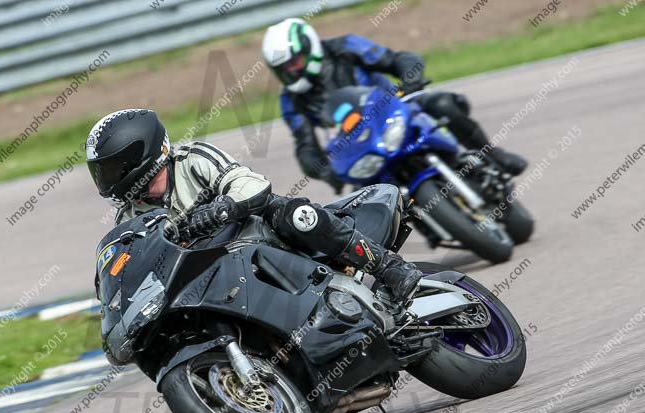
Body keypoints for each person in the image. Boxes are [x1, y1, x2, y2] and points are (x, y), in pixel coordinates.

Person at [85, 109, 422, 303]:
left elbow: (250, 184)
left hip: (256, 231)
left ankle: (388, 267)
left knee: (296, 215)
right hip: (211, 271)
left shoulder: (192, 160)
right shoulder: (128, 217)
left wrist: (223, 208)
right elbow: (130, 265)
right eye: (102, 171)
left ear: (140, 157)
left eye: (112, 168)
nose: (107, 178)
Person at [261, 18, 528, 193]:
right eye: (283, 68)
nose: (291, 70)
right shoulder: (291, 100)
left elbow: (398, 59)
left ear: (309, 49)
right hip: (357, 143)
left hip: (394, 105)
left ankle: (493, 155)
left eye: (294, 61)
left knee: (443, 103)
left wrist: (410, 80)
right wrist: (326, 171)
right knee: (362, 204)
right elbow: (305, 146)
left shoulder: (346, 46)